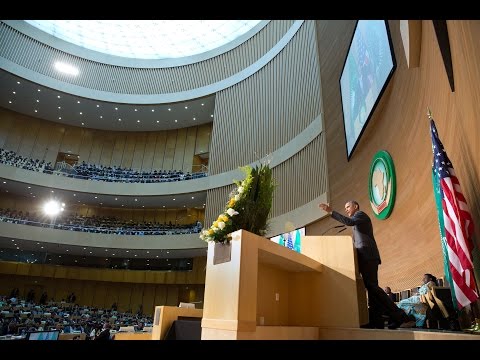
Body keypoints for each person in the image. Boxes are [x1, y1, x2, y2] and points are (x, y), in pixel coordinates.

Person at [319, 201, 410, 329]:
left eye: (348, 207)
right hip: (365, 257)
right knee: (371, 289)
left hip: (368, 256)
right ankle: (376, 321)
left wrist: (330, 211)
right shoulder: (358, 220)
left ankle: (402, 316)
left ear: (356, 206)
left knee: (372, 287)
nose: (346, 210)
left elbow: (349, 222)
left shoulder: (360, 215)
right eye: (345, 208)